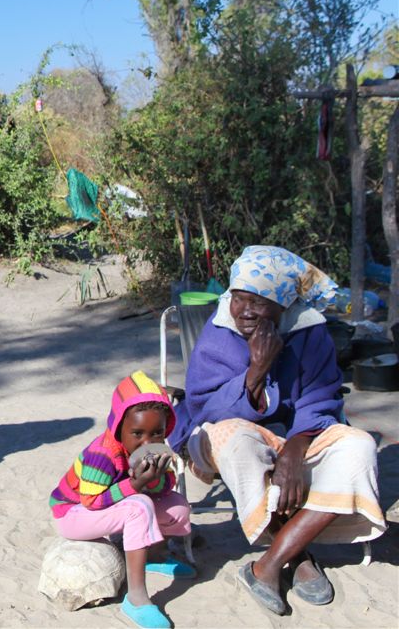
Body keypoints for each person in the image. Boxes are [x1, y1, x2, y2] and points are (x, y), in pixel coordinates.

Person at [169, 245, 386, 616]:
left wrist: (295, 450)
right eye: (239, 298)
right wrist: (256, 371)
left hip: (298, 432)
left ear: (284, 305)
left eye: (259, 302)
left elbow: (321, 399)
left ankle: (267, 564)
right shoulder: (220, 331)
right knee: (238, 443)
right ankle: (297, 554)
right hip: (223, 433)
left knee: (359, 448)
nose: (245, 311)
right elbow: (204, 408)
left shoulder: (309, 332)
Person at [50, 371, 194, 629]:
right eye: (137, 433)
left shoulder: (156, 452)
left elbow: (164, 487)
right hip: (73, 513)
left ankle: (155, 555)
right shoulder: (102, 454)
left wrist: (155, 479)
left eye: (157, 433)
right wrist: (137, 484)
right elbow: (91, 500)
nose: (147, 442)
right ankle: (137, 598)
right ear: (119, 427)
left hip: (112, 506)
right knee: (140, 506)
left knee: (178, 506)